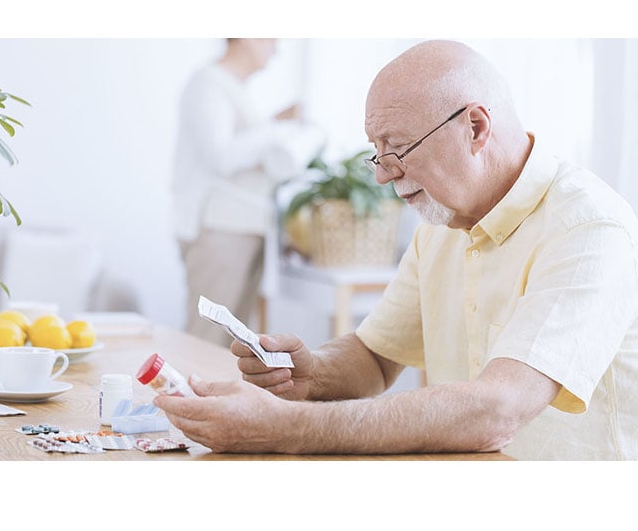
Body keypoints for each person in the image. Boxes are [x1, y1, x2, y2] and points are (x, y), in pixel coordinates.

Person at [155, 40, 638, 461]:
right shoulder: (444, 219)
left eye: (399, 149)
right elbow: (376, 357)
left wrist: (281, 427)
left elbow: (498, 410)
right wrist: (312, 375)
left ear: (475, 127)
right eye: (377, 152)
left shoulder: (590, 227)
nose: (383, 174)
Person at [171, 38, 323, 346]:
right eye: (270, 39)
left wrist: (273, 124)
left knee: (230, 342)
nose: (276, 50)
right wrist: (275, 128)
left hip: (241, 227)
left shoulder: (234, 88)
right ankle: (187, 395)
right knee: (207, 339)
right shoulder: (209, 83)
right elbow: (221, 155)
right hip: (220, 227)